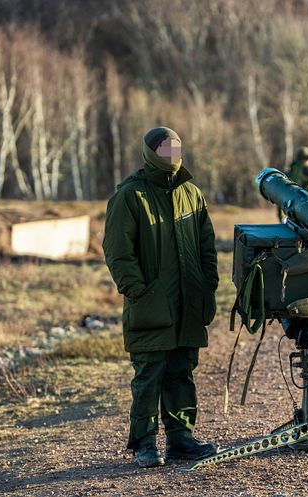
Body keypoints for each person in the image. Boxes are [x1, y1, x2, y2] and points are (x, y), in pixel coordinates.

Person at [103, 126, 219, 468]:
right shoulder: (130, 195)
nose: (171, 153)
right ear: (151, 152)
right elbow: (118, 252)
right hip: (151, 304)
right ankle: (144, 445)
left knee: (181, 371)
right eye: (164, 148)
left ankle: (181, 439)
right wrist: (139, 291)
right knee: (149, 375)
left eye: (176, 147)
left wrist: (207, 284)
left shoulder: (192, 193)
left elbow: (206, 246)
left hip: (188, 302)